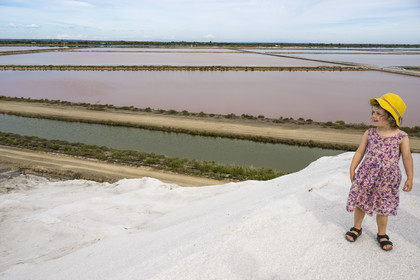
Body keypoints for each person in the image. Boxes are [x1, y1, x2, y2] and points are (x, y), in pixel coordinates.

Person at [345, 93, 414, 251]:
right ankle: (357, 227)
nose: (374, 116)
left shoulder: (401, 137)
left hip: (388, 179)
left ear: (390, 117)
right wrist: (352, 167)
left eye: (378, 113)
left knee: (384, 208)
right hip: (367, 175)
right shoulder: (370, 133)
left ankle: (382, 233)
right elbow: (360, 152)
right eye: (373, 112)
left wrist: (410, 177)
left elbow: (407, 158)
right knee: (361, 202)